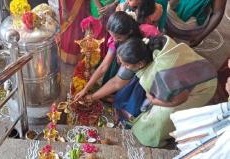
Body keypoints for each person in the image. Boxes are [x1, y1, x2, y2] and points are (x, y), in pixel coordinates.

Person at [84, 35, 217, 147]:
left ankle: (164, 139)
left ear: (140, 64)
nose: (122, 66)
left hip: (202, 86)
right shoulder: (148, 47)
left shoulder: (162, 74)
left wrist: (154, 100)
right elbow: (116, 81)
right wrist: (91, 96)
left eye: (126, 65)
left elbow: (180, 98)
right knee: (150, 112)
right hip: (199, 69)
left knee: (157, 124)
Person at [75, 11, 144, 102]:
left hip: (136, 75)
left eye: (118, 38)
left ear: (129, 32)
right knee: (109, 93)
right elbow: (103, 66)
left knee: (124, 96)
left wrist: (92, 97)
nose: (115, 40)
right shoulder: (116, 40)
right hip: (123, 70)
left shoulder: (133, 48)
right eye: (112, 36)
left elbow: (116, 82)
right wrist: (85, 89)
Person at [59, 0, 89, 65]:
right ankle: (68, 57)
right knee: (69, 32)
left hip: (81, 6)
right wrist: (64, 9)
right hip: (69, 7)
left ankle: (77, 57)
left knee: (79, 30)